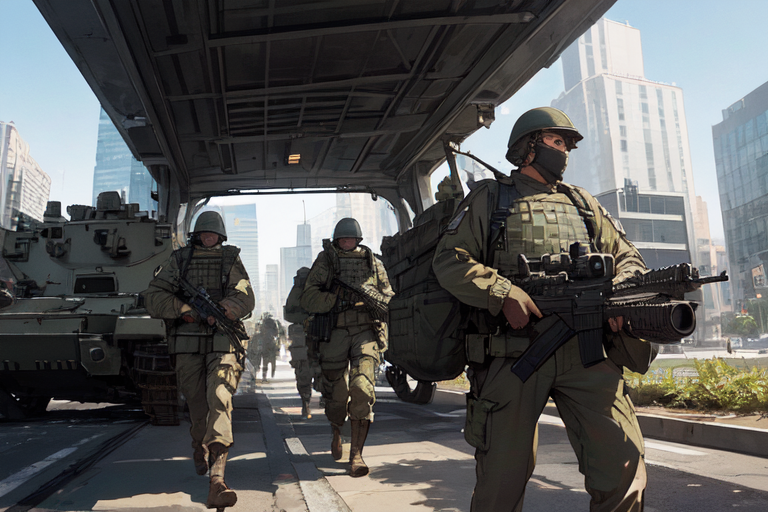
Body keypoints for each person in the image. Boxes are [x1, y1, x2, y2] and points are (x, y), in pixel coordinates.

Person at [432, 107, 653, 511]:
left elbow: (629, 258)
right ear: (529, 147)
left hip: (586, 351)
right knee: (501, 481)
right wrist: (502, 292)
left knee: (623, 464)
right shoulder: (491, 198)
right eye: (556, 141)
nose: (564, 150)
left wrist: (621, 291)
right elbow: (450, 260)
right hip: (514, 355)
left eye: (567, 144)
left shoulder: (582, 203)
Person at [143, 211, 254, 509]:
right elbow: (154, 296)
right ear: (196, 234)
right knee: (197, 405)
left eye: (212, 233)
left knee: (219, 397)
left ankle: (217, 481)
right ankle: (198, 444)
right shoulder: (180, 260)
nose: (208, 237)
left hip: (222, 340)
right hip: (187, 342)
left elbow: (245, 297)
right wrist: (184, 310)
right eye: (204, 233)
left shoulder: (230, 259)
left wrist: (224, 310)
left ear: (221, 236)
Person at [300, 218, 394, 477]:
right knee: (337, 395)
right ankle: (336, 429)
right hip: (335, 332)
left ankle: (357, 455)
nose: (346, 242)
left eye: (350, 238)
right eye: (342, 239)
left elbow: (388, 296)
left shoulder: (373, 263)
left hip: (365, 331)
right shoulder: (327, 261)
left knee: (362, 388)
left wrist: (371, 300)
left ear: (358, 239)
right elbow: (308, 297)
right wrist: (337, 298)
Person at [284, 267, 314, 418]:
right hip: (302, 336)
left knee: (305, 371)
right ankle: (305, 403)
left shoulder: (317, 289)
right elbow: (289, 314)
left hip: (314, 335)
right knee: (303, 371)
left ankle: (307, 403)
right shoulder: (296, 293)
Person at [256, 313, 279, 382]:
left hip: (265, 343)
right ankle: (272, 373)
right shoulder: (273, 323)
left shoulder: (263, 323)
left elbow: (260, 331)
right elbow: (277, 332)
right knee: (273, 359)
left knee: (265, 362)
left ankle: (264, 376)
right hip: (272, 343)